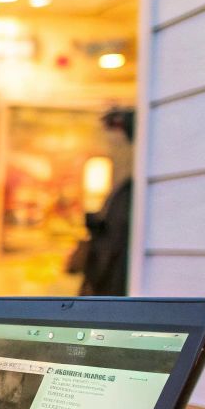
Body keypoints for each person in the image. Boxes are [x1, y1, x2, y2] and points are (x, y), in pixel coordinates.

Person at [75, 107, 135, 296]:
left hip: (115, 278)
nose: (111, 142)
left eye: (115, 128)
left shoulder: (131, 192)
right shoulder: (123, 191)